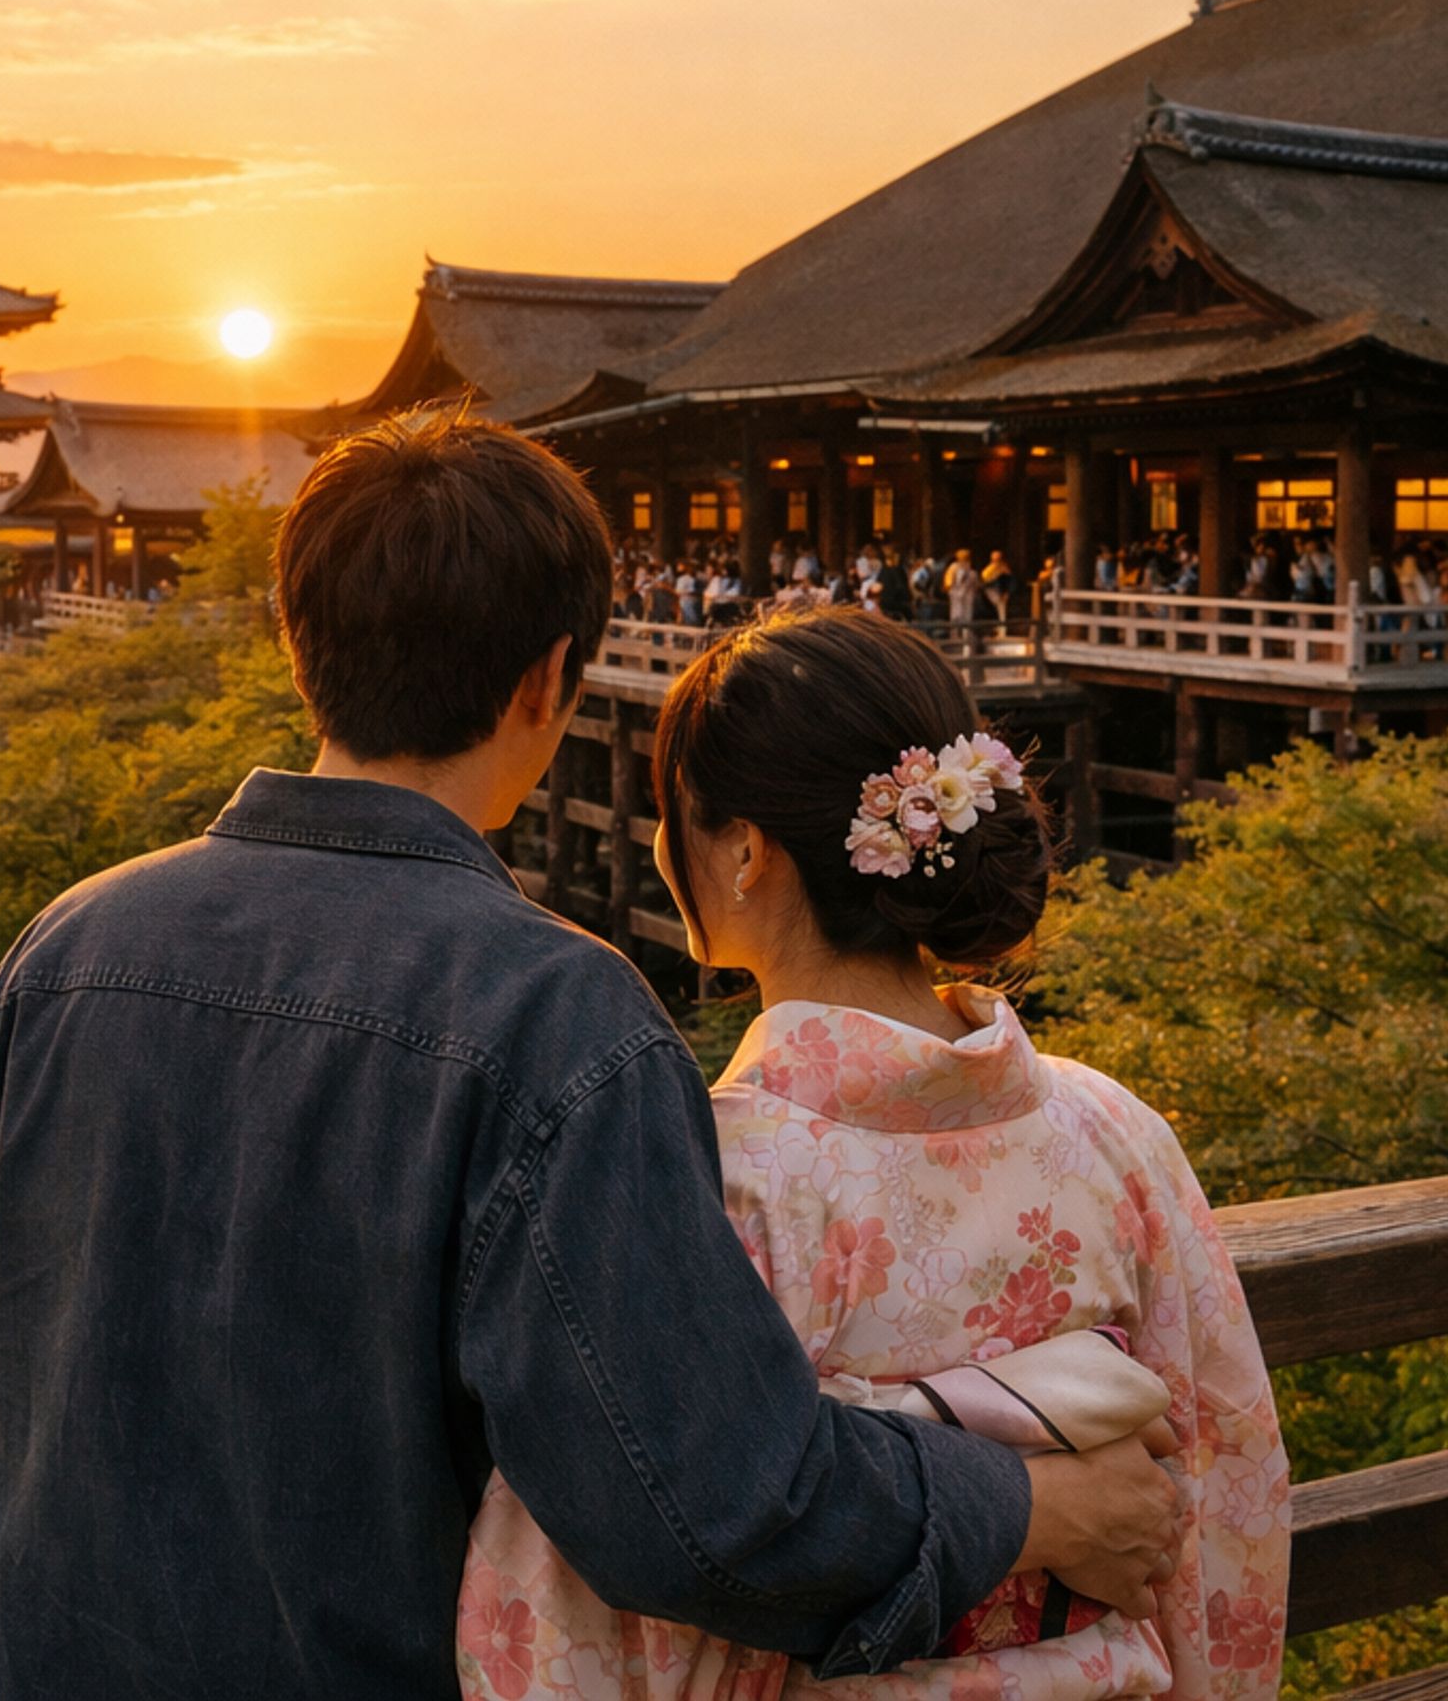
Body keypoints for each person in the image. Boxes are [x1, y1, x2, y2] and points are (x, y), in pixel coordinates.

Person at [0, 414, 1182, 1697]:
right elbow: (705, 1505)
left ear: (301, 650)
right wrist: (1021, 1508)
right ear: (548, 680)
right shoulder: (557, 1018)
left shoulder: (63, 954)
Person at [459, 612, 1287, 1699]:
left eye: (672, 819)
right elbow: (1225, 1503)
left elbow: (576, 1609)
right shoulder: (1114, 1134)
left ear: (746, 852)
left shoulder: (716, 1179)